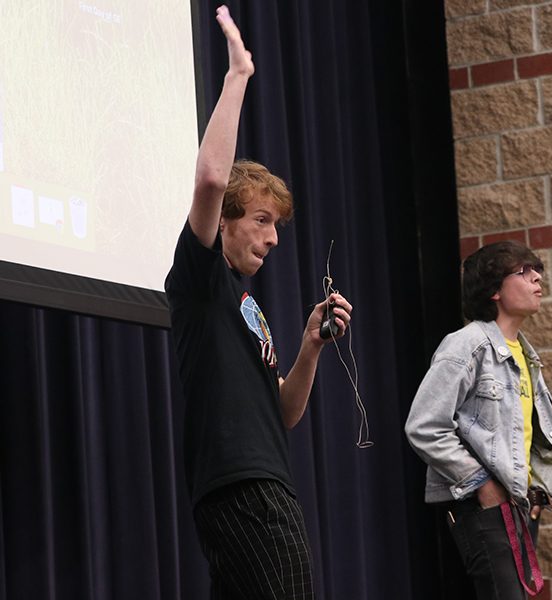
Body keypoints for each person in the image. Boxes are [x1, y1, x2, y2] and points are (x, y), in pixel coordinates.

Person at [165, 6, 351, 599]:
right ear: (225, 223)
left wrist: (309, 348)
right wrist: (238, 74)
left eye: (278, 226)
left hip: (264, 481)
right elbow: (212, 179)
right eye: (263, 220)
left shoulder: (247, 304)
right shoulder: (201, 280)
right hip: (243, 487)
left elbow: (284, 414)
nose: (273, 238)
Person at [405, 240, 552, 600]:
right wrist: (483, 485)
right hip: (483, 508)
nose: (537, 278)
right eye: (523, 271)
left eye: (537, 271)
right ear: (494, 291)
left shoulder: (526, 356)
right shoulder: (467, 345)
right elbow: (424, 425)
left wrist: (537, 493)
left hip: (518, 507)